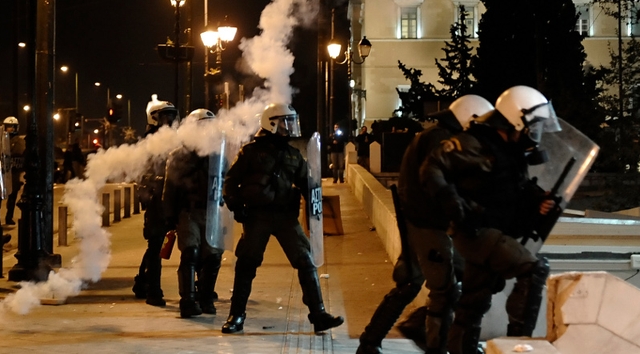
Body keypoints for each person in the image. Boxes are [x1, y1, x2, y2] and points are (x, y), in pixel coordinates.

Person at [421, 86, 560, 354]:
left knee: (473, 302)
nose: (536, 132)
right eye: (533, 125)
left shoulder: (509, 148)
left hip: (489, 228)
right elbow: (432, 167)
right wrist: (454, 204)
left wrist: (538, 200)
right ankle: (516, 346)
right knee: (534, 270)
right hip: (478, 230)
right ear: (517, 119)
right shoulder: (476, 143)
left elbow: (509, 188)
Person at [357, 95, 494, 354]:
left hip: (423, 221)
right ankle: (435, 345)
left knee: (414, 282)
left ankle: (372, 342)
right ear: (470, 119)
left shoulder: (436, 136)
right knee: (445, 290)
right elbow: (441, 181)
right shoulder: (442, 140)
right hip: (430, 224)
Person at [221, 103, 344, 334]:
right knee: (247, 264)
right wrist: (236, 207)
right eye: (286, 122)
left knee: (306, 261)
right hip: (257, 216)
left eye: (291, 121)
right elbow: (230, 181)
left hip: (286, 217)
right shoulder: (250, 152)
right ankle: (236, 316)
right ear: (272, 123)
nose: (290, 126)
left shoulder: (293, 155)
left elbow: (307, 184)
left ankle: (318, 315)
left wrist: (315, 202)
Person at [162, 108, 224, 318]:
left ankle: (206, 298)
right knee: (191, 253)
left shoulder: (218, 154)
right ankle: (187, 300)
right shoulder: (179, 155)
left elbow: (225, 181)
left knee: (213, 257)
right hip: (188, 212)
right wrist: (169, 215)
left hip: (212, 212)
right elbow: (169, 188)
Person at [134, 97, 179, 307]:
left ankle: (142, 281)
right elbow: (143, 171)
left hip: (173, 195)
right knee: (155, 244)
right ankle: (153, 289)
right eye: (165, 116)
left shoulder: (177, 138)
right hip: (156, 198)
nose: (169, 120)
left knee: (161, 243)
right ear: (155, 118)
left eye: (172, 116)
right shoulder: (148, 140)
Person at [2, 116, 25, 226]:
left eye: (13, 126)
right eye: (9, 126)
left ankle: (9, 217)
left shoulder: (20, 141)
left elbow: (22, 155)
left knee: (12, 197)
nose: (11, 129)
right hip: (2, 171)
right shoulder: (1, 139)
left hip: (15, 172)